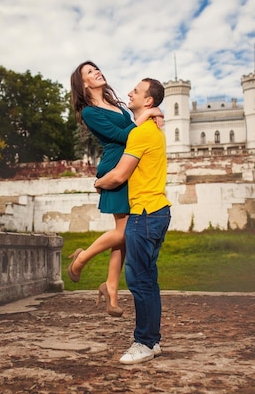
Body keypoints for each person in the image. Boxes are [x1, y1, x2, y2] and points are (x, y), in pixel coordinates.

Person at [69, 61, 161, 317]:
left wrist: (152, 115)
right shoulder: (89, 112)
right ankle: (82, 259)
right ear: (82, 83)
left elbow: (135, 132)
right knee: (125, 230)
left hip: (129, 166)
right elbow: (123, 137)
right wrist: (146, 115)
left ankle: (110, 287)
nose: (96, 72)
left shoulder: (117, 105)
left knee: (124, 233)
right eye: (89, 72)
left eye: (96, 68)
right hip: (114, 168)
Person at [94, 78, 171, 364]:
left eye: (136, 91)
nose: (129, 93)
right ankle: (153, 340)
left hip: (145, 214)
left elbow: (119, 176)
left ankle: (144, 342)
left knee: (139, 280)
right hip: (158, 211)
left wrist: (99, 183)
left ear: (148, 101)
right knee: (148, 280)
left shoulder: (141, 134)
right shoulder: (152, 130)